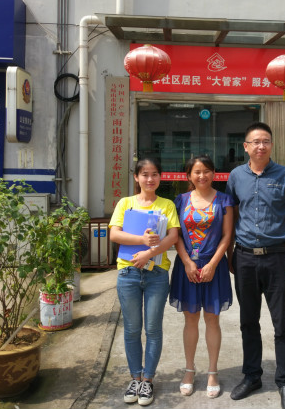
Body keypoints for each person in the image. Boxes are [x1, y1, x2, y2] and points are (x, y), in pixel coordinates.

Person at [225, 122, 285, 409]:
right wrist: (229, 253)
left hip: (278, 258)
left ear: (271, 145)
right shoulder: (236, 176)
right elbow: (232, 215)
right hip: (245, 257)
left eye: (266, 141)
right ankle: (252, 376)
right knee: (248, 321)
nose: (261, 146)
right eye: (256, 141)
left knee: (281, 323)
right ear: (246, 146)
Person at [109, 158, 180, 406]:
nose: (150, 179)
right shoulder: (125, 203)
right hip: (128, 273)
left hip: (156, 274)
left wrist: (149, 253)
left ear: (160, 177)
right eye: (145, 174)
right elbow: (114, 233)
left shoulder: (167, 205)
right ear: (136, 177)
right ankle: (135, 378)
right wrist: (141, 240)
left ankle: (148, 380)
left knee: (152, 329)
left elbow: (173, 237)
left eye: (154, 174)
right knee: (131, 329)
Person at [169, 155, 234, 399]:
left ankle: (212, 372)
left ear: (214, 173)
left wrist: (213, 264)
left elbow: (227, 236)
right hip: (187, 267)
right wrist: (187, 262)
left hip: (213, 267)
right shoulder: (180, 200)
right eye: (197, 172)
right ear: (189, 175)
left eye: (207, 171)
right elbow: (176, 235)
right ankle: (189, 370)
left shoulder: (225, 200)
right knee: (191, 320)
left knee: (212, 320)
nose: (202, 175)